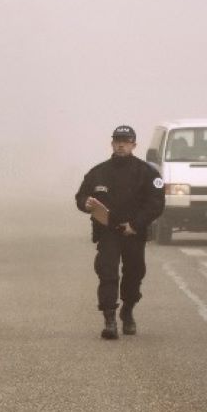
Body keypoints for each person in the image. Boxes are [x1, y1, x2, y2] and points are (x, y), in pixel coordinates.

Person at [75, 125, 165, 339]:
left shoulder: (147, 173)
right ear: (112, 143)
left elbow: (156, 203)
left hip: (134, 232)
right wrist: (85, 203)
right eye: (118, 141)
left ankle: (128, 310)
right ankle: (109, 320)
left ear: (134, 144)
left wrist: (135, 224)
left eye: (126, 141)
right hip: (108, 231)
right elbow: (80, 197)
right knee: (107, 273)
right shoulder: (97, 172)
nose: (121, 144)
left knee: (134, 274)